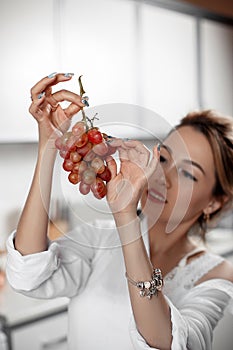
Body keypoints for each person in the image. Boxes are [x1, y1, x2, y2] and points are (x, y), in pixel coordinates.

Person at [6, 73, 233, 350]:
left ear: (215, 202)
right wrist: (49, 146)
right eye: (163, 158)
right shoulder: (99, 239)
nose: (164, 177)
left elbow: (169, 343)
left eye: (188, 174)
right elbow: (27, 274)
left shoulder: (217, 275)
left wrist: (126, 217)